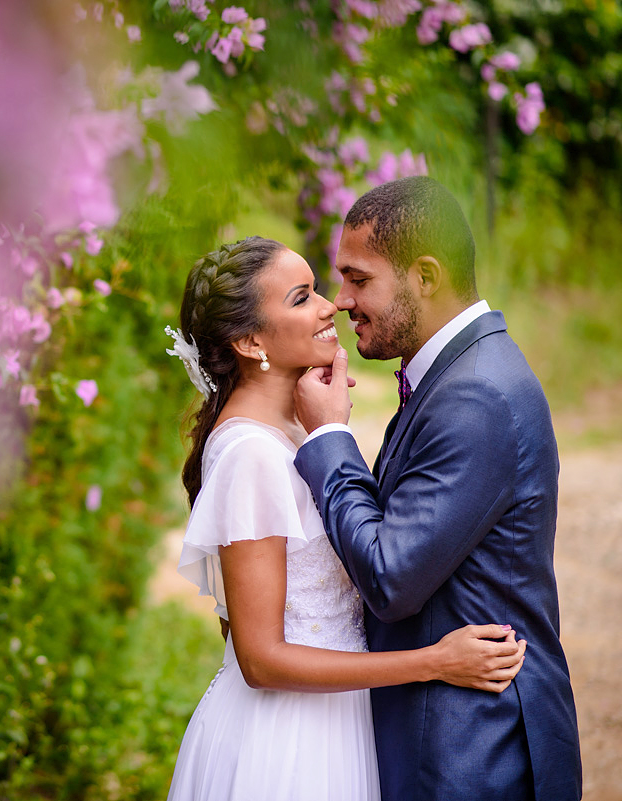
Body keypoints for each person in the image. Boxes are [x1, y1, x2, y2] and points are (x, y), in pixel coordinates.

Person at [163, 236, 527, 801]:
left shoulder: (293, 432)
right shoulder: (251, 455)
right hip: (288, 742)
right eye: (301, 297)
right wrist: (434, 662)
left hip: (336, 719)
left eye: (317, 290)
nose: (329, 305)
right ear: (250, 341)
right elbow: (258, 659)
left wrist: (328, 430)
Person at [293, 175, 581, 800]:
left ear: (425, 276)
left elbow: (390, 577)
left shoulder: (474, 395)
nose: (341, 301)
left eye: (358, 279)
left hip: (472, 754)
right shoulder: (456, 373)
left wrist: (327, 438)